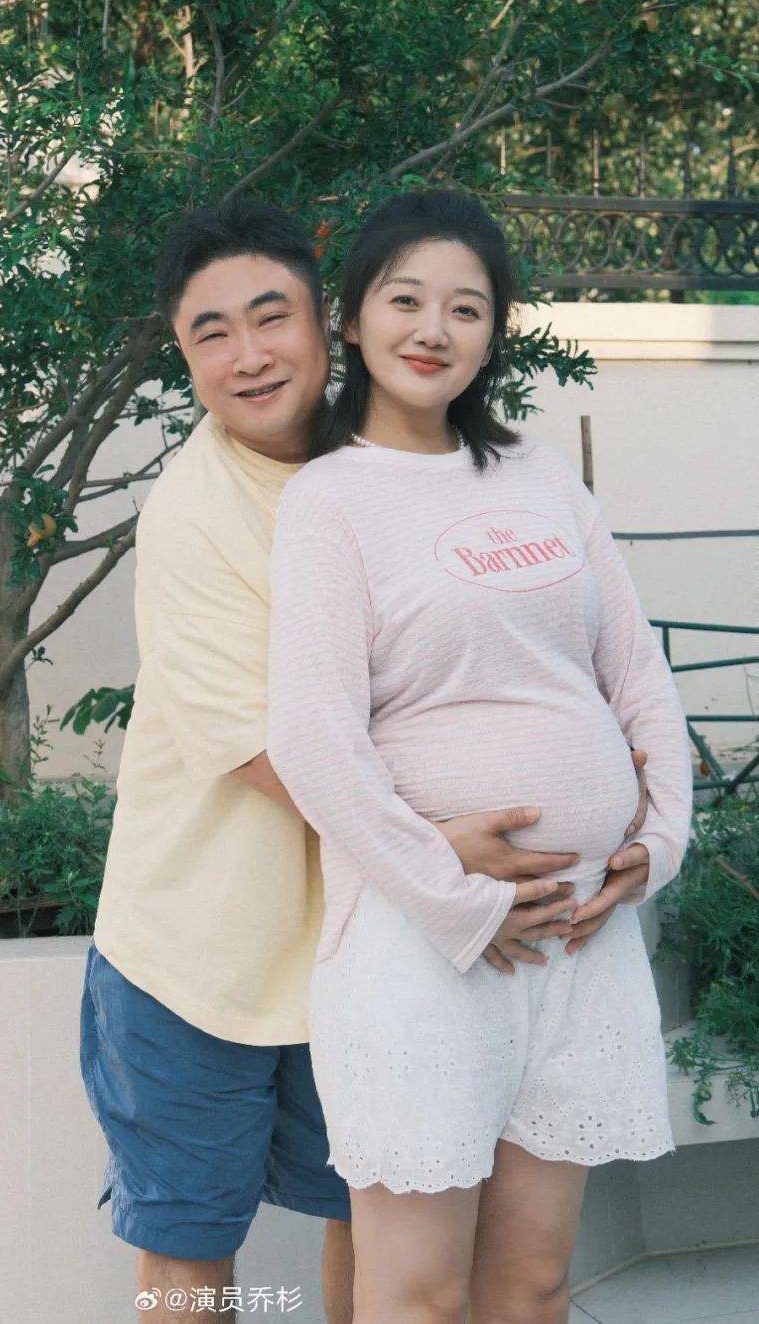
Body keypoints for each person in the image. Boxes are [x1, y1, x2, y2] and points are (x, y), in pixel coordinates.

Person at [79, 197, 652, 1324]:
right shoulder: (194, 514)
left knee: (363, 1232)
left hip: (366, 948)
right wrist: (446, 855)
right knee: (189, 1264)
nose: (249, 356)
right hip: (203, 954)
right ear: (183, 356)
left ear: (325, 321)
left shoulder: (398, 465)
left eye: (271, 317)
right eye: (210, 333)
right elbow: (266, 747)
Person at [266, 189, 694, 1324]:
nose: (433, 329)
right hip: (425, 950)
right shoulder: (330, 500)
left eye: (466, 308)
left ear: (494, 332)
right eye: (405, 300)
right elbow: (313, 738)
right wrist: (457, 901)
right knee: (418, 1297)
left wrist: (659, 841)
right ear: (352, 318)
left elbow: (637, 674)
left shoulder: (542, 479)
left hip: (581, 946)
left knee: (535, 1284)